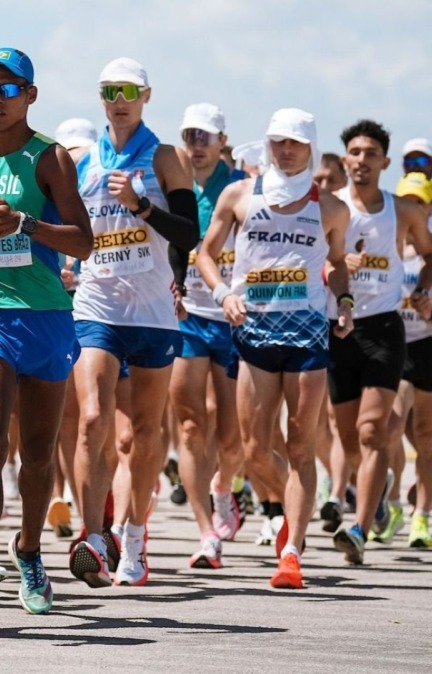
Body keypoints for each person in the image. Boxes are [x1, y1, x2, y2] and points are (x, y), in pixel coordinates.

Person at [0, 48, 93, 616]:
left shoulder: (49, 158)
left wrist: (26, 224)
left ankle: (29, 550)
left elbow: (84, 241)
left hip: (46, 317)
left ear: (31, 95)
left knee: (36, 451)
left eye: (8, 90)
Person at [198, 107, 352, 589]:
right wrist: (223, 294)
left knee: (302, 445)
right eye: (277, 141)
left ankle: (291, 552)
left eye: (295, 143)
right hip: (254, 333)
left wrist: (344, 301)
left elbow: (338, 262)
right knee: (255, 450)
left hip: (307, 335)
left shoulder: (329, 206)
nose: (285, 150)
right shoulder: (241, 194)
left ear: (310, 147)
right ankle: (293, 510)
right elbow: (205, 253)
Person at [68, 57, 198, 588]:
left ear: (145, 95)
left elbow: (189, 234)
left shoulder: (165, 156)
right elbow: (68, 229)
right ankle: (95, 534)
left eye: (126, 90)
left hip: (153, 312)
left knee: (143, 433)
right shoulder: (81, 160)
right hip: (97, 305)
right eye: (107, 91)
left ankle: (136, 536)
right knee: (93, 419)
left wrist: (143, 207)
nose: (117, 100)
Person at [328, 120, 432, 564]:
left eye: (371, 153)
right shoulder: (326, 210)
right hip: (338, 328)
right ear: (345, 159)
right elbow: (308, 261)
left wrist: (425, 290)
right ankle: (378, 493)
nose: (362, 160)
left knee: (373, 431)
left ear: (384, 163)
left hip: (385, 329)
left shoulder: (403, 211)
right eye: (355, 152)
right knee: (349, 439)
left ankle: (359, 528)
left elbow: (430, 255)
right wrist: (334, 262)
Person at [170, 103, 246, 569]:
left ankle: (224, 486)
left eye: (205, 137)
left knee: (234, 437)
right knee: (191, 425)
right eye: (189, 136)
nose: (196, 145)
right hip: (188, 316)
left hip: (233, 316)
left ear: (222, 141)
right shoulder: (172, 185)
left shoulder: (239, 188)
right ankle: (205, 534)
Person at [393, 171, 432, 548]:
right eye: (407, 201)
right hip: (396, 346)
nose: (413, 208)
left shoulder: (428, 251)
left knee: (424, 436)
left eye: (420, 202)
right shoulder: (385, 243)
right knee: (388, 426)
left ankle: (422, 515)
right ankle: (389, 503)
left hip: (427, 345)